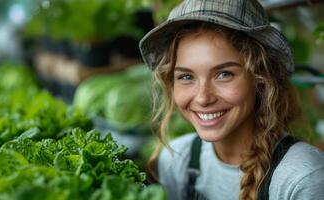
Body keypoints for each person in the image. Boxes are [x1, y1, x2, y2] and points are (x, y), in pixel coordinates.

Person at [138, 0, 324, 200]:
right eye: (186, 77)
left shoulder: (301, 178)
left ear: (261, 79)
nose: (203, 97)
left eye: (224, 74)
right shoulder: (176, 159)